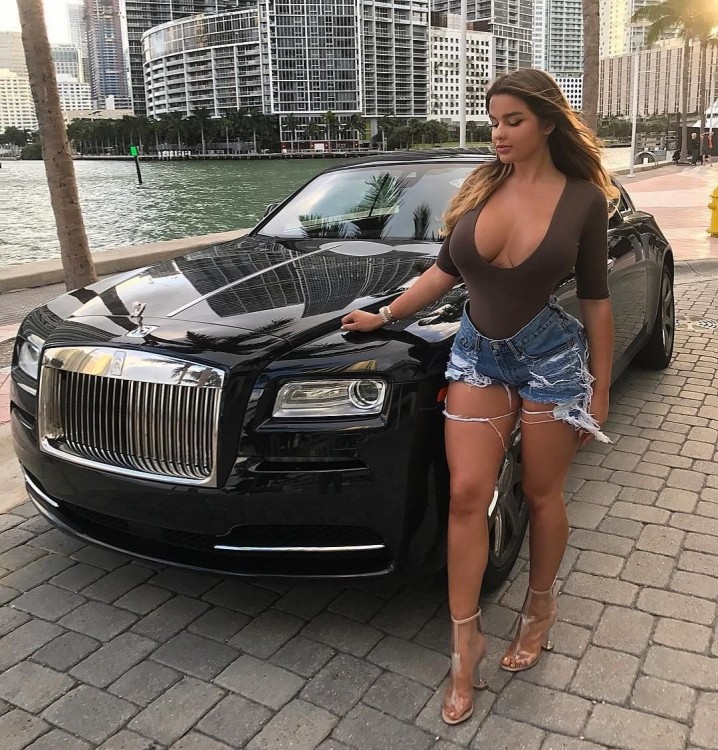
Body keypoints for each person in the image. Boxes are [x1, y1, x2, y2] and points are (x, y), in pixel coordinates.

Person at [341, 68, 616, 725]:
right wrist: (386, 315)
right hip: (476, 356)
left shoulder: (583, 200)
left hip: (552, 362)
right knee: (467, 495)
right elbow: (442, 273)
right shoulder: (481, 187)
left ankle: (539, 609)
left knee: (542, 494)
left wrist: (600, 389)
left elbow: (597, 301)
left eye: (512, 121)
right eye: (493, 121)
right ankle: (465, 644)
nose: (498, 133)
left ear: (547, 123)